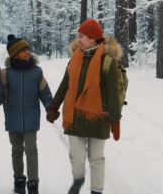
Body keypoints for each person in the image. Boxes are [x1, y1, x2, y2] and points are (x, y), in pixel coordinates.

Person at [46, 19, 123, 194]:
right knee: (77, 158)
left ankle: (96, 190)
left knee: (96, 159)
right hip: (74, 116)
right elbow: (65, 84)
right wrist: (53, 107)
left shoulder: (108, 61)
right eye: (78, 35)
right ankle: (78, 178)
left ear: (94, 39)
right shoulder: (75, 58)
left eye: (82, 36)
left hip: (99, 117)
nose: (78, 39)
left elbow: (113, 93)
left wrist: (115, 121)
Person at [0, 35, 53, 194]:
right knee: (16, 150)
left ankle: (33, 183)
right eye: (23, 50)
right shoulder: (5, 74)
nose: (28, 52)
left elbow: (45, 93)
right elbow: (0, 95)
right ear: (15, 54)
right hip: (12, 117)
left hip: (31, 117)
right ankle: (19, 180)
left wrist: (51, 107)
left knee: (31, 149)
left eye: (28, 49)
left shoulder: (36, 72)